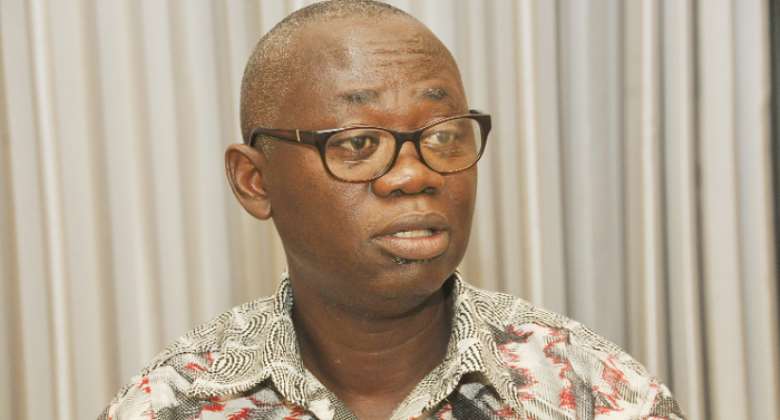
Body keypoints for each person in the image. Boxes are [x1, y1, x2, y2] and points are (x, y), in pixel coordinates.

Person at [99, 1, 685, 419]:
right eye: (358, 143)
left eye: (444, 135)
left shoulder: (595, 393)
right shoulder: (175, 402)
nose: (415, 174)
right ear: (255, 181)